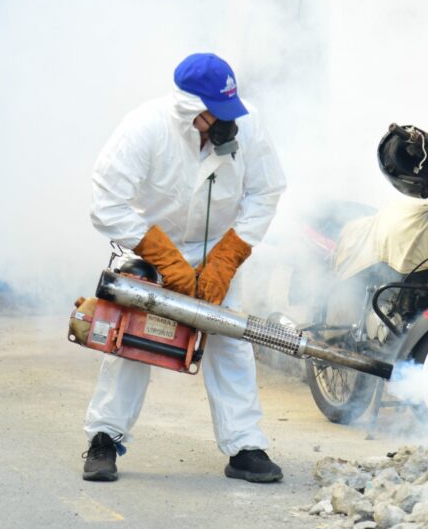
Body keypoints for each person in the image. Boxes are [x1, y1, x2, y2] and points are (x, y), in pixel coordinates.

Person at [83, 53, 287, 483]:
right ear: (189, 109)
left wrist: (227, 258)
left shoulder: (248, 125)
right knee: (130, 337)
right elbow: (107, 204)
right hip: (155, 243)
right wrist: (166, 259)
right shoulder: (145, 128)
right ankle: (104, 439)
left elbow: (266, 191)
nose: (226, 123)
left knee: (230, 339)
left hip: (217, 247)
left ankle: (245, 446)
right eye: (215, 114)